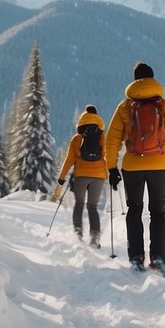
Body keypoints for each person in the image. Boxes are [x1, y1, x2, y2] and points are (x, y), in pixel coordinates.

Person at [104, 62, 165, 271]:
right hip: (160, 164)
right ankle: (158, 257)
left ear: (135, 80)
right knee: (158, 211)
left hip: (133, 166)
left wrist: (112, 168)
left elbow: (112, 140)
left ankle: (136, 257)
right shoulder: (163, 105)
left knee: (134, 210)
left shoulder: (125, 107)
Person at [56, 105, 108, 247]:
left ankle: (77, 236)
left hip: (81, 176)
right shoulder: (102, 137)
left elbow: (69, 159)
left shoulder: (77, 139)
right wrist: (111, 174)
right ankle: (95, 239)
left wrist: (62, 176)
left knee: (79, 205)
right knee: (93, 207)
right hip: (98, 176)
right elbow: (106, 157)